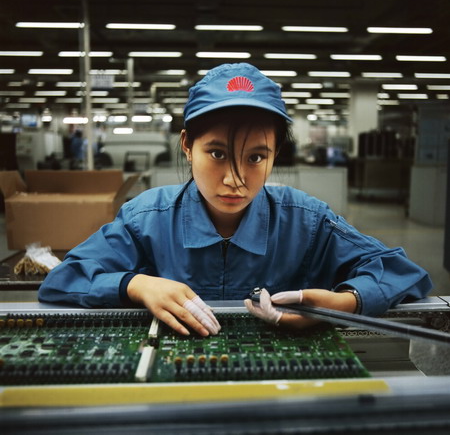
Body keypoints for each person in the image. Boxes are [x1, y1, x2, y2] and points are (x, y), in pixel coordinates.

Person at [38, 63, 433, 337]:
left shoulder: (307, 221)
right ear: (187, 146)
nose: (235, 179)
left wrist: (343, 303)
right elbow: (63, 280)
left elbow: (401, 273)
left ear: (276, 155)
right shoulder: (147, 218)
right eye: (217, 153)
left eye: (256, 157)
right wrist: (136, 285)